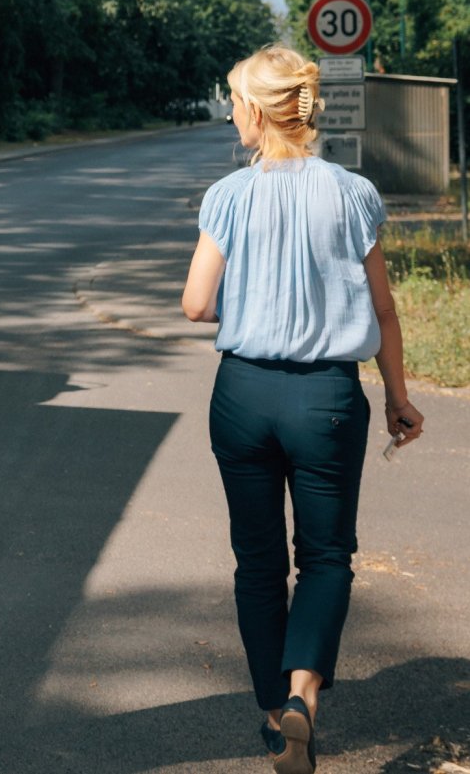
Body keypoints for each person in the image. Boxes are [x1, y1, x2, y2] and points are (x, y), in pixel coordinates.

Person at [181, 45, 425, 774]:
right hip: (328, 398)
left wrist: (252, 302)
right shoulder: (354, 193)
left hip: (244, 395)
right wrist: (398, 396)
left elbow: (195, 303)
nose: (232, 113)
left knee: (256, 561)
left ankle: (270, 712)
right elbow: (383, 308)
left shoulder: (228, 195)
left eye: (235, 101)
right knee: (324, 555)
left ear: (258, 112)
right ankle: (302, 696)